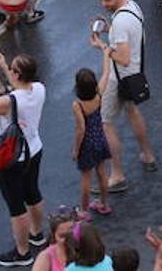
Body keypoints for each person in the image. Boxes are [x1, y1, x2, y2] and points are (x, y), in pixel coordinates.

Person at [0, 51, 47, 267]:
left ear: (17, 74)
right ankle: (37, 233)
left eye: (12, 69)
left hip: (12, 158)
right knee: (33, 193)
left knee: (16, 206)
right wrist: (5, 66)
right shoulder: (39, 89)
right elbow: (20, 89)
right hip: (34, 149)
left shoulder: (9, 102)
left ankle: (22, 253)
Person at [95, 0, 158, 188]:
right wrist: (108, 29)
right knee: (132, 112)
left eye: (108, 0)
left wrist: (103, 47)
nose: (104, 4)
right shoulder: (133, 7)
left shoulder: (120, 23)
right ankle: (148, 155)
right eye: (102, 0)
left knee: (105, 123)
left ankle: (117, 174)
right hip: (135, 75)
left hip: (118, 77)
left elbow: (122, 58)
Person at [72, 62, 113, 221]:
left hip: (87, 144)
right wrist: (105, 53)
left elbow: (80, 129)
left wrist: (76, 149)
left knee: (86, 178)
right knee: (102, 174)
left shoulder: (78, 105)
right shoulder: (99, 96)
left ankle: (83, 210)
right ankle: (103, 204)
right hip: (100, 139)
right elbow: (106, 73)